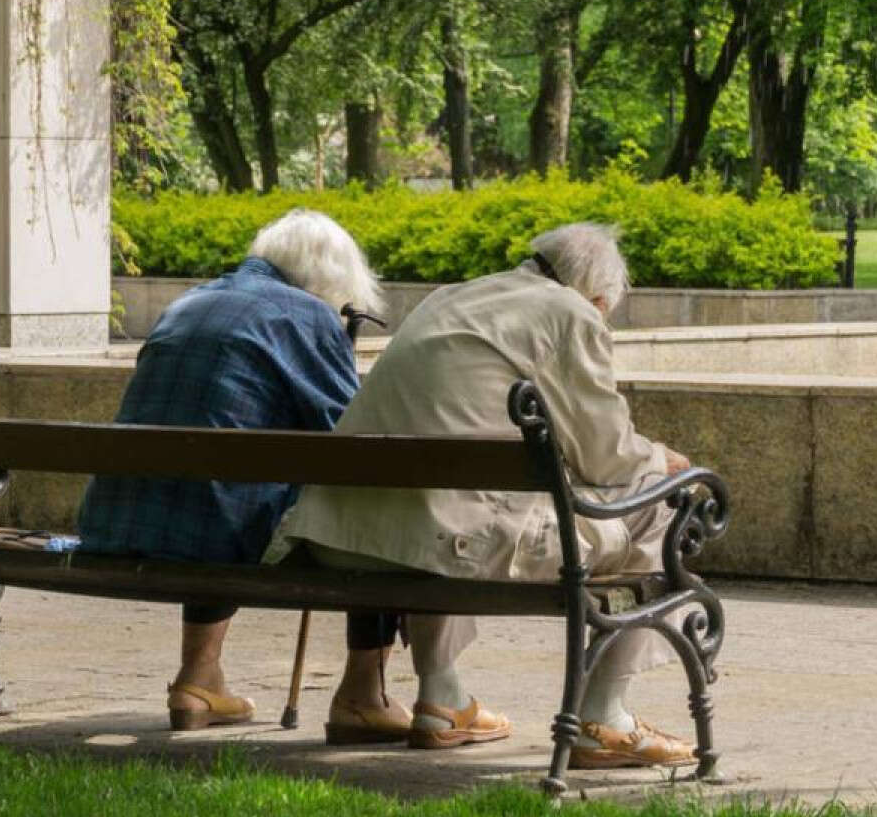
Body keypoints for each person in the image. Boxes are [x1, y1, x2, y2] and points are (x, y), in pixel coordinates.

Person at [266, 223, 698, 769]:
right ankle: (603, 718)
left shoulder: (451, 297)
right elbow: (607, 458)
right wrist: (662, 458)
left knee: (454, 505)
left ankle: (442, 698)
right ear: (595, 299)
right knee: (668, 503)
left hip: (341, 536)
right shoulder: (570, 314)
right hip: (440, 541)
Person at [78, 209, 412, 741]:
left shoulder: (190, 301)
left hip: (121, 522)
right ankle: (363, 697)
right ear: (332, 279)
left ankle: (198, 679)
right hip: (216, 528)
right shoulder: (308, 316)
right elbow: (349, 445)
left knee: (216, 489)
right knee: (377, 512)